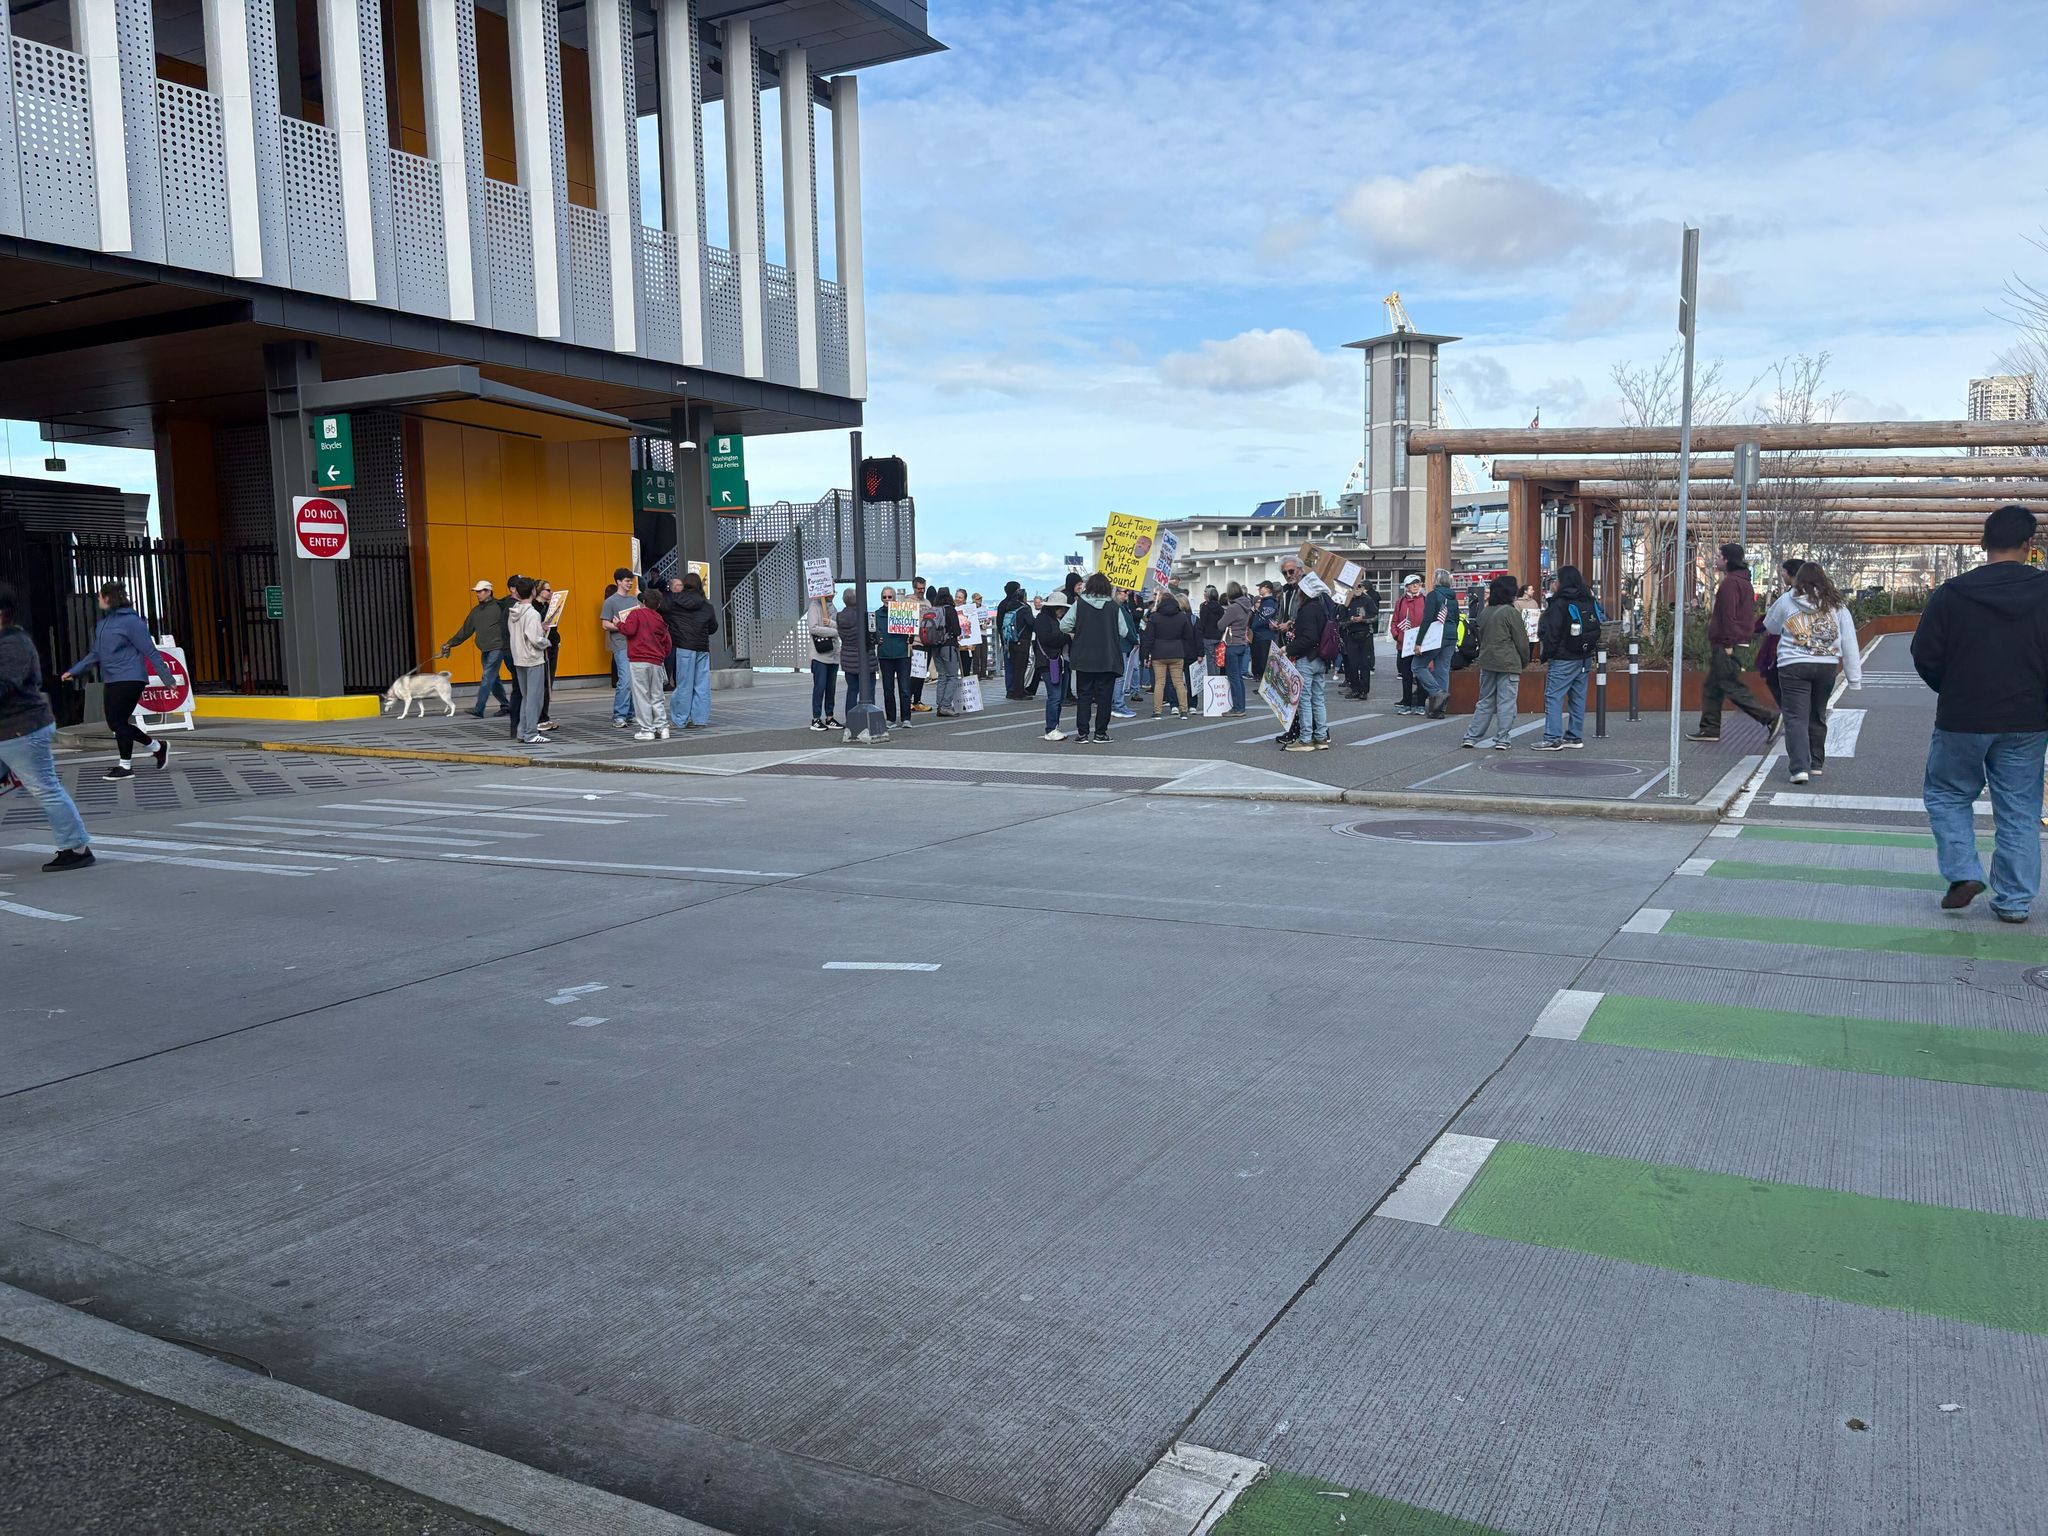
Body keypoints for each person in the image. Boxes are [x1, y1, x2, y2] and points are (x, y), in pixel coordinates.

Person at [1912, 505, 2048, 921]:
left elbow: (1925, 653)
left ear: (1982, 543)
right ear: (2029, 545)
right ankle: (2014, 901)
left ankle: (1963, 873)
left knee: (1949, 794)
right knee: (2020, 809)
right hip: (2027, 719)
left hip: (1962, 717)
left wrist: (1952, 689)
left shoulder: (1952, 593)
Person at [0, 582, 93, 871]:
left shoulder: (13, 643)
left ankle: (76, 848)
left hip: (21, 730)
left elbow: (4, 686)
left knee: (44, 788)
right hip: (10, 730)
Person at [60, 581, 172, 780]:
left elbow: (149, 650)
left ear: (108, 598)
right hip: (112, 678)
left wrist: (166, 677)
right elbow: (95, 654)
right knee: (115, 723)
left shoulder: (132, 622)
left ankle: (126, 766)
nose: (98, 599)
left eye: (100, 596)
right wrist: (74, 671)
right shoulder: (104, 624)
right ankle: (157, 747)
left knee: (118, 722)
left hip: (130, 677)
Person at [1764, 561, 1862, 786]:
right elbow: (1849, 641)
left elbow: (1770, 626)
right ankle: (1816, 763)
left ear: (1798, 580)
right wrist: (1853, 678)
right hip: (1826, 665)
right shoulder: (1836, 604)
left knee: (1796, 717)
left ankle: (1799, 768)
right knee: (1817, 713)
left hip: (1793, 665)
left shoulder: (1787, 600)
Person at [1688, 543, 1781, 742]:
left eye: (1719, 556)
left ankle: (1768, 717)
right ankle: (1709, 729)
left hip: (1728, 643)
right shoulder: (1743, 582)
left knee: (1730, 685)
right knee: (1712, 686)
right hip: (1734, 641)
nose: (1716, 559)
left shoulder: (1731, 584)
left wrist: (1728, 643)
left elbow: (1729, 615)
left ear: (1727, 559)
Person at [1533, 564, 1601, 751]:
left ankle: (1552, 738)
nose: (1553, 583)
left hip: (1564, 658)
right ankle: (1573, 736)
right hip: (1585, 656)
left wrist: (1548, 654)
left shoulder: (1559, 603)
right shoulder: (1587, 599)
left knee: (1553, 696)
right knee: (1578, 697)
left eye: (1555, 580)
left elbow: (1552, 634)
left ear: (1562, 582)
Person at [1462, 574, 1531, 751]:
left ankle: (1471, 736)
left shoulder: (1485, 612)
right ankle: (1502, 739)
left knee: (1485, 701)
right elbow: (1522, 642)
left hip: (1487, 662)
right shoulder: (1510, 612)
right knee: (1506, 702)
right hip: (1508, 663)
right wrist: (1524, 661)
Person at [1060, 573, 1131, 743]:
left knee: (1084, 695)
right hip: (1107, 658)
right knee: (1105, 697)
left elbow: (1064, 625)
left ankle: (1082, 733)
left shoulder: (1080, 604)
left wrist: (1078, 631)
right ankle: (1100, 733)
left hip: (1084, 657)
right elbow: (1124, 631)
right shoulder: (1114, 607)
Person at [604, 587, 673, 741]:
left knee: (641, 695)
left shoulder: (636, 614)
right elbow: (667, 642)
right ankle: (662, 727)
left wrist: (619, 624)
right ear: (658, 605)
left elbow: (629, 629)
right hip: (656, 661)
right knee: (657, 695)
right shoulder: (659, 618)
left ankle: (647, 729)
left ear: (642, 602)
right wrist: (662, 655)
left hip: (639, 660)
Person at [439, 578, 512, 717]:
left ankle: (479, 709)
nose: (477, 594)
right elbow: (465, 630)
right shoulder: (476, 611)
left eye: (480, 591)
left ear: (489, 591)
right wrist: (450, 643)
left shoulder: (499, 606)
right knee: (493, 679)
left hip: (498, 647)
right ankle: (506, 705)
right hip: (485, 649)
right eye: (476, 592)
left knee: (487, 677)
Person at [1281, 572, 1334, 750]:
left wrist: (1288, 648)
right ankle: (1321, 737)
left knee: (1304, 700)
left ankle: (1305, 739)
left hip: (1307, 659)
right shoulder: (1321, 608)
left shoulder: (1307, 610)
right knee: (1318, 699)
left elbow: (1308, 638)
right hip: (1321, 658)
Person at [662, 572, 717, 729]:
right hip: (702, 648)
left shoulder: (674, 601)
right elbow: (713, 628)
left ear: (684, 585)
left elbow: (659, 607)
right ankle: (700, 719)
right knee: (702, 685)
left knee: (684, 684)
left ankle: (680, 720)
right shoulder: (707, 606)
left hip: (684, 647)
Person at [505, 576, 550, 744]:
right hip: (532, 658)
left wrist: (540, 628)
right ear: (533, 591)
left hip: (519, 658)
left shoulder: (514, 611)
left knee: (526, 696)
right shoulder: (532, 613)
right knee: (535, 698)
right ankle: (531, 733)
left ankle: (522, 732)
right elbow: (535, 639)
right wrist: (546, 641)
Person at [1142, 591, 1201, 718]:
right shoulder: (1182, 617)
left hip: (1159, 653)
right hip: (1177, 652)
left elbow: (1149, 638)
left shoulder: (1155, 617)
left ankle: (1157, 711)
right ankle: (1184, 710)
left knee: (1160, 683)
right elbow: (1188, 636)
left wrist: (1145, 655)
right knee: (1179, 682)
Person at [1755, 558, 1803, 705]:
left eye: (1783, 571)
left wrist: (1759, 627)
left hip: (1787, 650)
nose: (1781, 574)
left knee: (1775, 679)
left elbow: (1771, 622)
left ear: (1791, 574)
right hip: (1813, 654)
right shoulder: (1818, 596)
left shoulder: (1789, 597)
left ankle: (1788, 711)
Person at [1416, 569, 1461, 719]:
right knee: (1443, 670)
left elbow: (1427, 619)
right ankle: (1439, 709)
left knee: (1417, 666)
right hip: (1451, 635)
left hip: (1436, 636)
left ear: (1436, 580)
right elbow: (1456, 618)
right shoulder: (1453, 598)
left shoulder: (1433, 595)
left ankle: (1437, 693)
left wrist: (1418, 642)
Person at [1034, 590, 1072, 740]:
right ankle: (1051, 728)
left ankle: (1054, 726)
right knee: (1055, 696)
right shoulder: (1043, 620)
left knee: (1058, 696)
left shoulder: (1052, 620)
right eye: (1059, 608)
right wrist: (1067, 636)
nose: (1062, 611)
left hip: (1058, 661)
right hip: (1049, 662)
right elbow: (1048, 639)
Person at [836, 587, 878, 723]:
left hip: (848, 657)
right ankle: (869, 718)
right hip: (865, 657)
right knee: (869, 690)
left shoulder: (840, 617)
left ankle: (851, 719)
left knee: (852, 690)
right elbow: (871, 635)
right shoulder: (863, 615)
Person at [875, 586, 914, 726]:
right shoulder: (877, 614)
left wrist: (911, 638)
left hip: (903, 655)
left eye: (889, 597)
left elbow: (912, 630)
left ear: (894, 598)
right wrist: (877, 638)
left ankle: (906, 718)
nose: (886, 599)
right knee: (888, 689)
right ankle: (890, 718)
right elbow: (873, 632)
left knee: (904, 688)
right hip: (885, 656)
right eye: (884, 597)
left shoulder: (903, 612)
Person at [1389, 573, 1426, 715]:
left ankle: (1421, 704)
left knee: (1421, 675)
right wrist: (1397, 635)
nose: (1416, 585)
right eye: (1412, 583)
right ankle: (1407, 703)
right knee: (1406, 675)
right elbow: (1395, 621)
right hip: (1403, 644)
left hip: (1421, 645)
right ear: (1407, 586)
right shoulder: (1400, 602)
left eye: (1418, 583)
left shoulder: (1426, 600)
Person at [806, 593, 841, 730]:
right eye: (830, 589)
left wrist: (833, 626)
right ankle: (816, 718)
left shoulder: (833, 608)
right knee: (820, 686)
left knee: (831, 687)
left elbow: (840, 626)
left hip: (833, 653)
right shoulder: (814, 606)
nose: (832, 593)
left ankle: (829, 716)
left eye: (834, 590)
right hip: (819, 654)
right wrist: (834, 631)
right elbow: (813, 628)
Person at [531, 579, 562, 730]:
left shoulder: (548, 607)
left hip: (552, 645)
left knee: (548, 682)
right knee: (542, 683)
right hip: (542, 648)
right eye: (547, 590)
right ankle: (540, 718)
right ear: (538, 591)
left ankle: (544, 715)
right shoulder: (534, 609)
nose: (550, 592)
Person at [1340, 583, 1379, 701]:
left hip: (1366, 635)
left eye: (1359, 587)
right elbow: (1340, 621)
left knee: (1365, 665)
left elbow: (1375, 616)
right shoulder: (1346, 602)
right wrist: (1350, 621)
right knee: (1352, 664)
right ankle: (1355, 689)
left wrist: (1363, 619)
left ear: (1362, 589)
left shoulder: (1367, 600)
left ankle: (1364, 691)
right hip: (1351, 635)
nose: (1357, 590)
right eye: (1354, 587)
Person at [1220, 581, 1254, 716]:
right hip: (1242, 642)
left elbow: (1220, 625)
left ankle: (1237, 708)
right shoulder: (1247, 605)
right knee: (1239, 678)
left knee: (1233, 677)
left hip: (1233, 643)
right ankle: (1241, 706)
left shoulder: (1233, 608)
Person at [996, 581, 1032, 698]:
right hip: (1020, 639)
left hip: (1007, 639)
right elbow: (1030, 623)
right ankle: (1018, 689)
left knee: (1009, 666)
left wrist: (1003, 639)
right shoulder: (1022, 606)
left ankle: (1010, 689)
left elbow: (999, 624)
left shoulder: (1003, 604)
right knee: (1020, 666)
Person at [906, 576, 931, 712]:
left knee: (922, 673)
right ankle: (909, 700)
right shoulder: (908, 601)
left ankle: (917, 700)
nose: (921, 591)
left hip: (927, 642)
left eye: (923, 588)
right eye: (919, 589)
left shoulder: (927, 602)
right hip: (914, 642)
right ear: (914, 588)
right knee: (914, 673)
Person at [1251, 581, 1280, 679]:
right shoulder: (1265, 601)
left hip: (1264, 636)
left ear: (1267, 588)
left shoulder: (1269, 602)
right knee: (1260, 661)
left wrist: (1254, 626)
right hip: (1260, 635)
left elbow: (1263, 619)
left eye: (1260, 587)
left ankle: (1266, 683)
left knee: (1264, 662)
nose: (1259, 589)